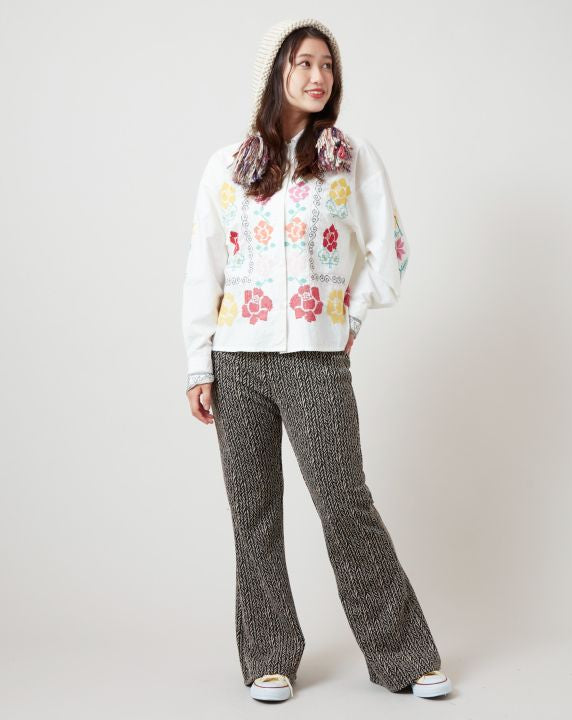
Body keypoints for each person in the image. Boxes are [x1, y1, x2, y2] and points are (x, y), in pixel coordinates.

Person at [181, 17, 453, 703]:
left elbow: (390, 249)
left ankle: (404, 656)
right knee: (254, 516)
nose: (318, 76)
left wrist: (350, 316)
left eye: (327, 65)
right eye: (304, 63)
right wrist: (198, 364)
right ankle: (268, 657)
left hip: (315, 359)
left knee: (345, 505)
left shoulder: (349, 158)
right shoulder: (227, 166)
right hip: (237, 358)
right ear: (275, 72)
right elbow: (203, 267)